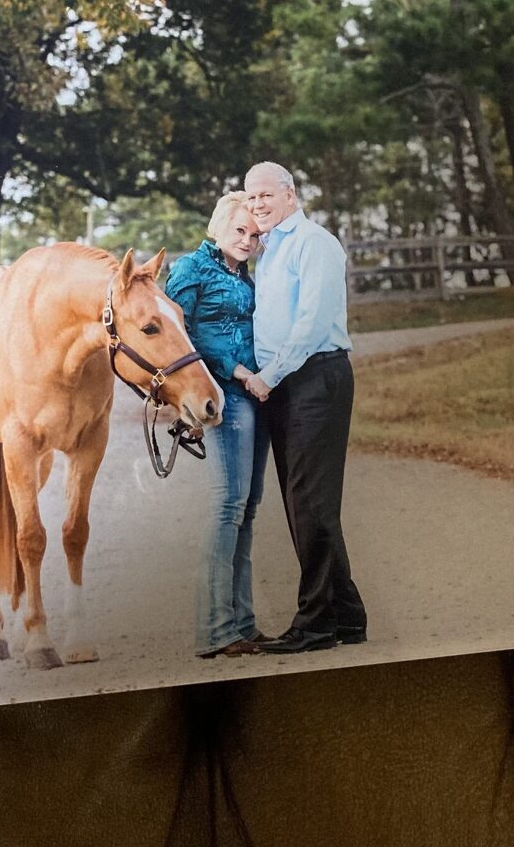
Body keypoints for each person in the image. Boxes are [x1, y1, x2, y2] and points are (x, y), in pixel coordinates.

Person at [242, 161, 366, 654]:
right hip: (288, 384)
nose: (257, 205)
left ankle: (314, 624)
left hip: (316, 377)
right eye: (251, 198)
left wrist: (269, 377)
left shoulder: (314, 243)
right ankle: (348, 617)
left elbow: (312, 322)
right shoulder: (270, 249)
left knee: (311, 504)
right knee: (304, 505)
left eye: (266, 195)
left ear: (290, 194)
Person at [164, 192, 273, 659]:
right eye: (240, 231)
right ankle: (215, 630)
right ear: (219, 228)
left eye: (254, 234)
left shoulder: (241, 273)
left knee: (246, 510)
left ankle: (242, 624)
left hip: (255, 396)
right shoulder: (191, 269)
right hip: (223, 396)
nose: (248, 240)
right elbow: (180, 336)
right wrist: (237, 370)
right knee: (228, 505)